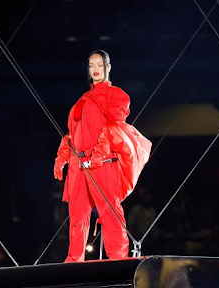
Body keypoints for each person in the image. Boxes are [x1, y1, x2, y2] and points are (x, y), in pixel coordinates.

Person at [54, 50, 151, 262]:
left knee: (109, 211)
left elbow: (114, 127)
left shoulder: (116, 95)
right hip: (79, 163)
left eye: (99, 65)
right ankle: (74, 259)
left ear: (108, 67)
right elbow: (75, 133)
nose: (95, 69)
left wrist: (99, 153)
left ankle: (117, 258)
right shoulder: (83, 98)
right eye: (91, 65)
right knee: (78, 215)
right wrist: (62, 155)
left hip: (102, 162)